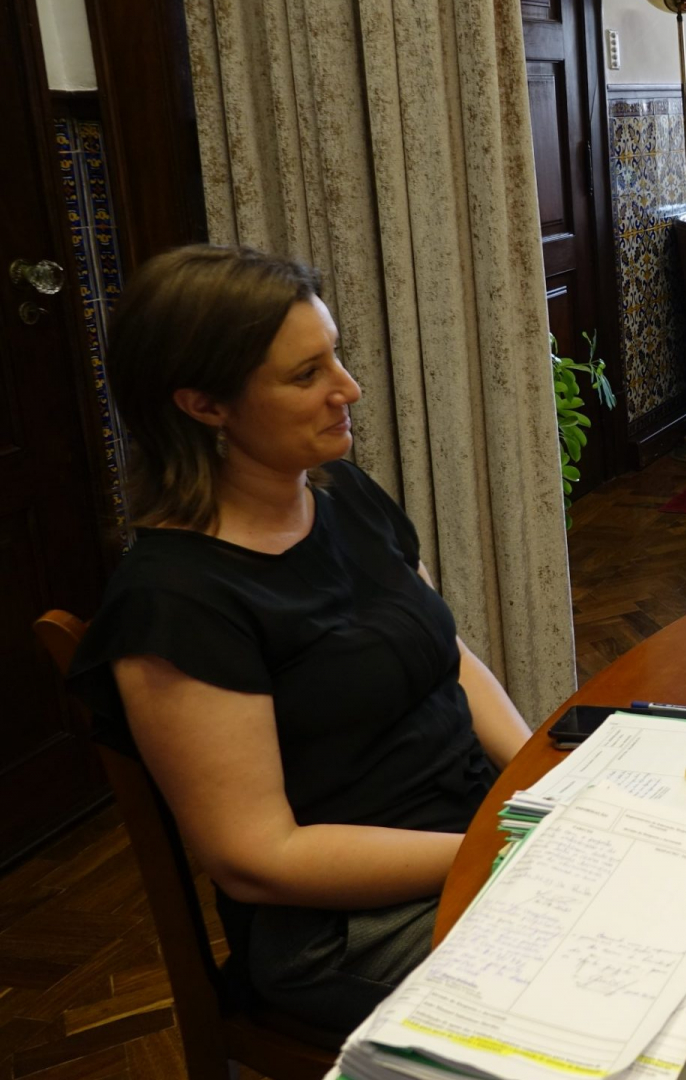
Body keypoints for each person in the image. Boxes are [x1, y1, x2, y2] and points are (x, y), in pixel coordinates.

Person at [67, 246, 533, 1034]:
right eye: (306, 375)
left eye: (335, 356)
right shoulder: (175, 602)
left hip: (474, 835)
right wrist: (497, 848)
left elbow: (447, 655)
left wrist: (538, 786)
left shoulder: (344, 494)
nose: (347, 389)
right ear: (205, 405)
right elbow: (259, 858)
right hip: (343, 927)